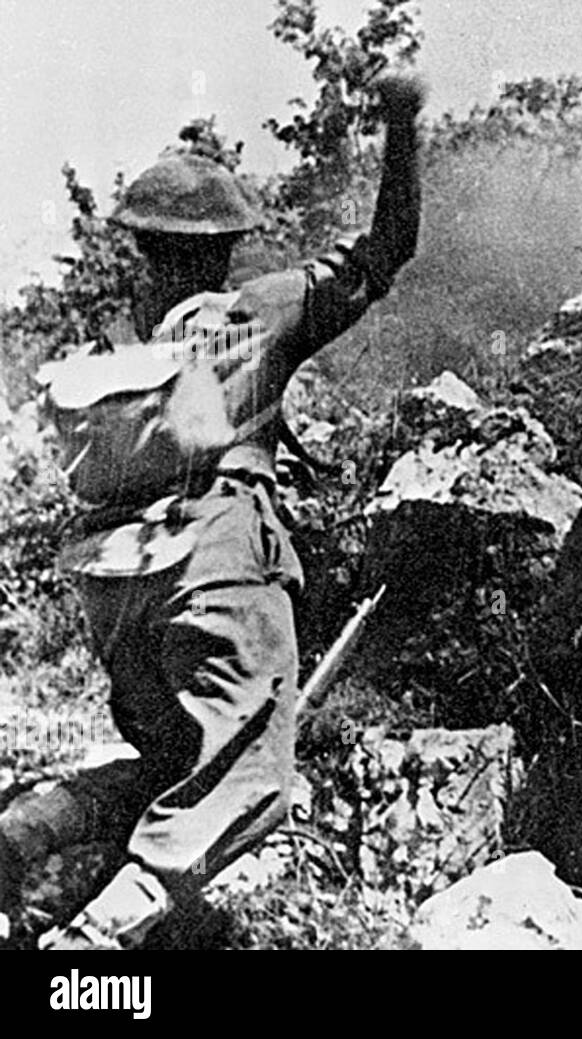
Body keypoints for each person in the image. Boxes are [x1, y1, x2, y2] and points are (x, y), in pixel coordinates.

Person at [0, 74, 426, 950]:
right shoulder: (255, 313)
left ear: (143, 246)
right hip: (217, 560)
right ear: (228, 243)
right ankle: (94, 951)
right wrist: (403, 125)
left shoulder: (118, 346)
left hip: (116, 582)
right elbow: (390, 246)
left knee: (171, 761)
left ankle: (24, 832)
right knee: (244, 778)